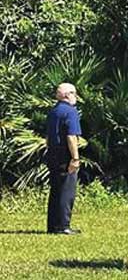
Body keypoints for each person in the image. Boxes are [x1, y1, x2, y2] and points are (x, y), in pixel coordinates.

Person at [44, 83, 82, 235]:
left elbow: (48, 136)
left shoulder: (53, 111)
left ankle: (52, 225)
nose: (76, 97)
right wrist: (75, 158)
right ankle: (63, 225)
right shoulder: (70, 112)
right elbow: (71, 136)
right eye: (74, 93)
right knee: (67, 190)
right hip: (65, 154)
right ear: (67, 95)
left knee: (55, 190)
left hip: (53, 152)